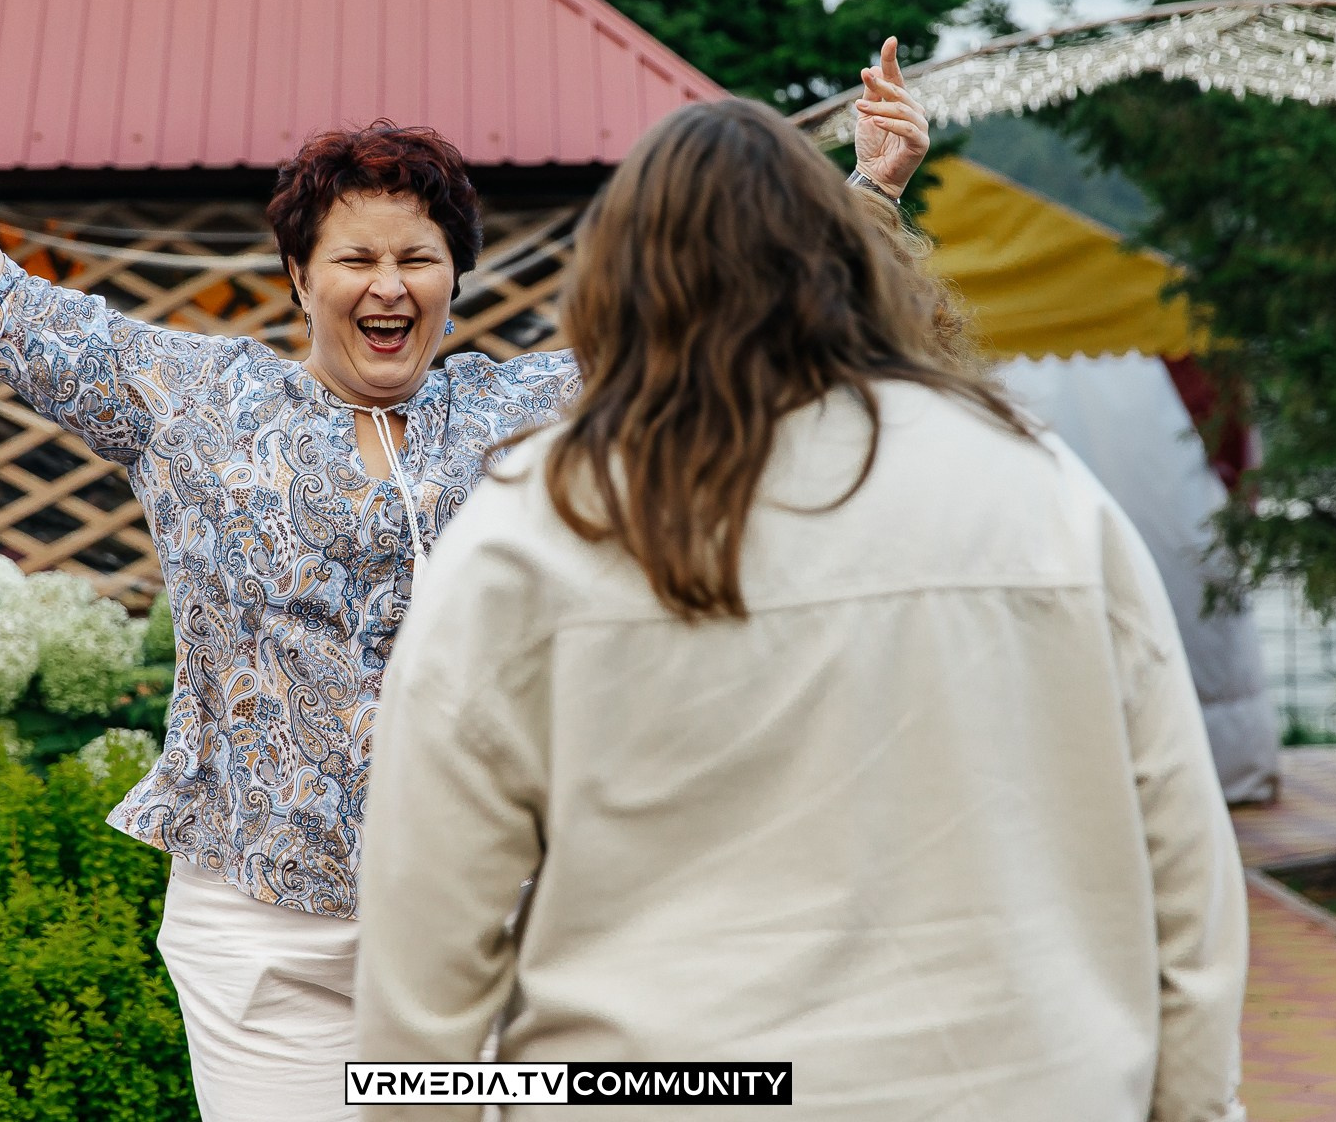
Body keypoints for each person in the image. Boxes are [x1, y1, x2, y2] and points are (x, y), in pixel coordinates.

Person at [0, 0, 936, 1120]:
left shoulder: (531, 408)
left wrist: (870, 191)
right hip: (263, 939)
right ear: (301, 276)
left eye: (419, 257)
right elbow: (0, 306)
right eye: (356, 258)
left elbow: (742, 342)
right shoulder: (192, 401)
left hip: (491, 923)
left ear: (455, 279)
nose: (389, 284)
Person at [352, 98, 1250, 1119]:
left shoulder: (537, 521)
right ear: (847, 265)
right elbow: (1186, 863)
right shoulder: (1038, 485)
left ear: (614, 286)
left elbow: (423, 940)